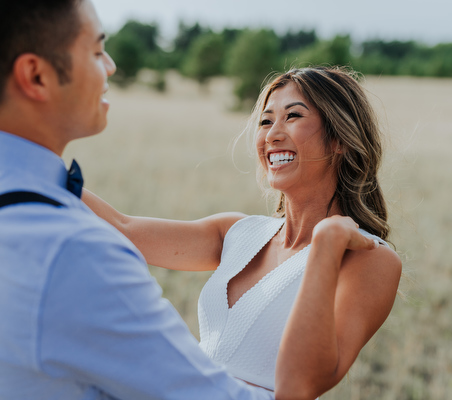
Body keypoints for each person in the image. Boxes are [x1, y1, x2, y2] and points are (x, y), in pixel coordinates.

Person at [0, 1, 327, 398]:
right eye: (97, 51)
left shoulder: (41, 214)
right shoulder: (76, 251)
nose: (111, 66)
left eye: (293, 116)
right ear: (36, 76)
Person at [83, 67, 403, 399]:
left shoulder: (369, 259)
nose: (272, 135)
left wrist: (326, 246)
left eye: (293, 116)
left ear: (339, 139)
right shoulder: (238, 232)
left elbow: (298, 387)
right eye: (266, 121)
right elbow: (123, 229)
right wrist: (38, 162)